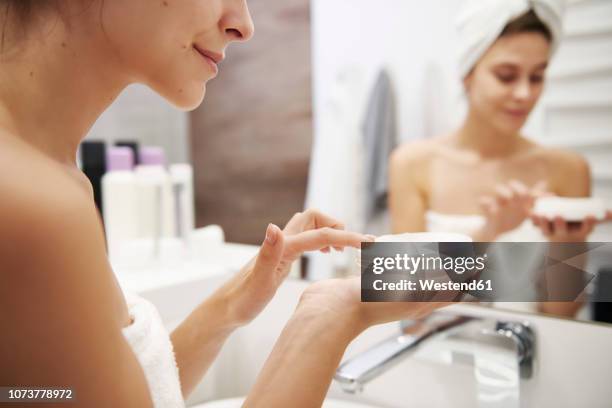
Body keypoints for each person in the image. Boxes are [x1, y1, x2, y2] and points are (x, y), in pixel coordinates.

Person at [0, 1, 446, 407]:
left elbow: (92, 389)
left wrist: (232, 304)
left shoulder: (54, 177)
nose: (244, 26)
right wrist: (328, 315)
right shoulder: (36, 202)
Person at [389, 1, 604, 317]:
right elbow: (404, 304)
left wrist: (564, 243)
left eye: (537, 77)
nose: (524, 94)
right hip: (435, 356)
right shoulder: (412, 164)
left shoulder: (568, 170)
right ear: (468, 74)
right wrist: (488, 232)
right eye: (506, 76)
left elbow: (563, 315)